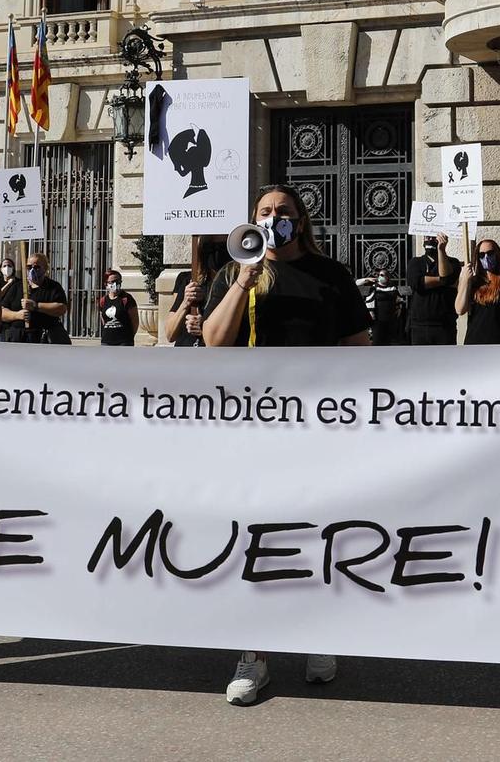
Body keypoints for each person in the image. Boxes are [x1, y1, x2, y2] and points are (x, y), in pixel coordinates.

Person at [201, 184, 369, 704]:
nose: (275, 219)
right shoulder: (235, 275)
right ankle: (255, 652)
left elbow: (358, 346)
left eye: (284, 212)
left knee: (318, 531)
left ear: (301, 220)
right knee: (257, 534)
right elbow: (213, 341)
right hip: (253, 429)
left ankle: (317, 633)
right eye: (265, 212)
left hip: (316, 427)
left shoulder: (331, 276)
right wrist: (241, 283)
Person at [406, 233, 463, 345]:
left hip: (445, 326)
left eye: (433, 236)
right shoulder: (415, 262)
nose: (429, 239)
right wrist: (444, 281)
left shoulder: (453, 263)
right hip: (419, 326)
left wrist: (441, 250)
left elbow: (447, 275)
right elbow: (417, 283)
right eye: (427, 236)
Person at [1, 252, 70, 344]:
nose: (32, 270)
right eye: (29, 267)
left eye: (37, 267)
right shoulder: (17, 286)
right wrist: (17, 315)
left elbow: (61, 308)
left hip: (43, 338)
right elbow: (2, 311)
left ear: (45, 269)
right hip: (18, 338)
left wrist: (36, 306)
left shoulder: (52, 287)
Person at [169, 238, 224, 348]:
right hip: (185, 354)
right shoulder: (189, 280)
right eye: (209, 247)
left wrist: (205, 328)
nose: (215, 253)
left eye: (222, 247)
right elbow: (170, 334)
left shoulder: (234, 285)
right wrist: (185, 302)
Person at [363, 267, 404, 345]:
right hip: (378, 319)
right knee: (378, 340)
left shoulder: (392, 287)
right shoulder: (374, 288)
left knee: (390, 340)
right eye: (379, 275)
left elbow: (398, 299)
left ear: (387, 276)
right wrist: (371, 313)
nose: (380, 277)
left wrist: (399, 308)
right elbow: (369, 300)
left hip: (391, 318)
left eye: (382, 275)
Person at [99, 269, 139, 346]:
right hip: (106, 341)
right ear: (106, 284)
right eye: (113, 282)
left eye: (118, 281)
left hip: (123, 342)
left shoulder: (127, 299)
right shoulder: (103, 300)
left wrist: (129, 337)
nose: (116, 284)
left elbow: (135, 322)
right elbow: (103, 320)